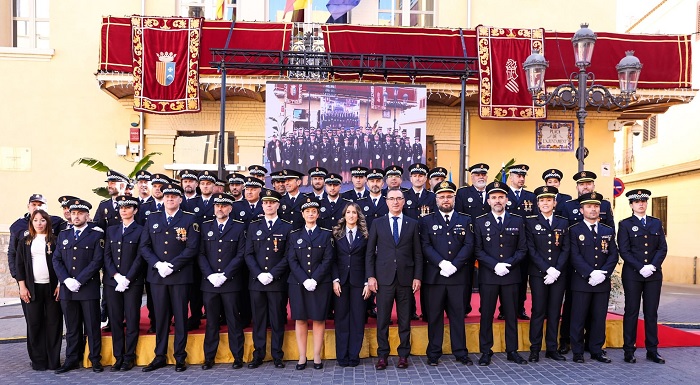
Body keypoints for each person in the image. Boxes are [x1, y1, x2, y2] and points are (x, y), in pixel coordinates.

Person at [140, 183, 200, 372]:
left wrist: (172, 265)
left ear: (180, 199)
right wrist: (158, 264)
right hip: (158, 276)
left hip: (180, 276)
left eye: (174, 196)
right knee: (161, 317)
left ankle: (180, 356)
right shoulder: (153, 218)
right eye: (167, 196)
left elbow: (192, 247)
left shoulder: (190, 219)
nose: (170, 199)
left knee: (181, 317)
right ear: (163, 198)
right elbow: (144, 246)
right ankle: (160, 355)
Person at [366, 188, 423, 370]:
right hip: (383, 279)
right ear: (386, 201)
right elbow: (370, 253)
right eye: (392, 199)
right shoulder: (377, 223)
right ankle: (382, 355)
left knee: (404, 319)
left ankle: (403, 355)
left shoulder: (412, 223)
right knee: (382, 319)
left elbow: (418, 253)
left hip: (406, 279)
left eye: (399, 198)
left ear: (404, 201)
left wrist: (417, 277)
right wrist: (371, 277)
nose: (395, 202)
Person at [559, 170, 615, 354]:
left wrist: (602, 272)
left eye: (589, 183)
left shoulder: (604, 204)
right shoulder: (568, 206)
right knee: (573, 307)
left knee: (596, 311)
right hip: (575, 267)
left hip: (600, 264)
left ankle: (593, 345)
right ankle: (567, 341)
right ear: (577, 187)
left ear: (593, 185)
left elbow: (610, 236)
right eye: (582, 184)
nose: (585, 186)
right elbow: (565, 236)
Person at [420, 181, 474, 366]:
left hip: (458, 277)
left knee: (457, 316)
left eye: (449, 196)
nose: (445, 200)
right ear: (436, 199)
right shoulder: (426, 220)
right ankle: (434, 352)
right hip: (435, 277)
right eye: (442, 196)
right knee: (434, 316)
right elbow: (425, 245)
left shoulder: (465, 220)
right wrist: (442, 263)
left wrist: (455, 265)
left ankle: (460, 352)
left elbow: (469, 244)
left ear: (454, 198)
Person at [474, 181, 527, 366]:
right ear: (488, 200)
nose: (498, 200)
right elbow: (478, 250)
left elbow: (522, 249)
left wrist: (508, 265)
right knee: (486, 314)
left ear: (506, 199)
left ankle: (512, 350)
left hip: (511, 276)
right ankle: (485, 351)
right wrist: (495, 265)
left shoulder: (517, 221)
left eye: (501, 197)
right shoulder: (480, 221)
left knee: (511, 315)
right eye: (494, 197)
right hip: (489, 276)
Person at [52, 198, 105, 373]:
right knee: (72, 327)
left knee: (92, 326)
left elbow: (97, 261)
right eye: (73, 213)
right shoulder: (64, 235)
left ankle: (95, 359)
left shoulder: (96, 235)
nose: (76, 216)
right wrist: (66, 280)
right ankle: (72, 359)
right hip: (68, 290)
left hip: (88, 288)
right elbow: (56, 259)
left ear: (87, 216)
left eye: (80, 213)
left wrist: (79, 280)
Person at [618, 189, 668, 364]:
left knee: (651, 312)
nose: (641, 204)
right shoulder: (625, 224)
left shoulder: (656, 223)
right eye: (637, 202)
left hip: (653, 275)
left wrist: (652, 266)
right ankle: (629, 350)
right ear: (631, 205)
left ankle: (652, 350)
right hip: (633, 274)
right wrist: (640, 267)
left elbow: (662, 247)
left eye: (644, 201)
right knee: (631, 311)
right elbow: (623, 250)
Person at [199, 193, 248, 370]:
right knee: (211, 321)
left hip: (231, 282)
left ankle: (238, 356)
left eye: (223, 206)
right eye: (217, 206)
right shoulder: (205, 227)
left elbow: (241, 254)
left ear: (230, 208)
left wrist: (226, 274)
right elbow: (201, 253)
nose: (220, 209)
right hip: (210, 283)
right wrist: (210, 275)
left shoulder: (239, 227)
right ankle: (209, 357)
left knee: (234, 321)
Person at [568, 192, 618, 364]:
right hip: (582, 281)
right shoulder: (574, 230)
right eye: (589, 206)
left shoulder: (607, 230)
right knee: (578, 318)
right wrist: (590, 273)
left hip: (601, 282)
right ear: (581, 210)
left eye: (596, 206)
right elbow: (574, 256)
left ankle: (597, 350)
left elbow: (613, 255)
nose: (593, 209)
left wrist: (603, 273)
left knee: (599, 318)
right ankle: (578, 351)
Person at [245, 189, 292, 369]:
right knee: (259, 319)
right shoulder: (254, 226)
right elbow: (248, 254)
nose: (269, 205)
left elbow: (288, 256)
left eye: (272, 202)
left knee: (277, 319)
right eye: (266, 203)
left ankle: (277, 355)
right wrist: (259, 274)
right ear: (262, 205)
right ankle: (258, 354)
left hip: (277, 282)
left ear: (278, 205)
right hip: (257, 282)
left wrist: (272, 274)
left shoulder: (286, 227)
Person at [287, 198, 335, 370]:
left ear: (318, 214)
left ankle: (316, 356)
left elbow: (328, 259)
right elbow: (291, 260)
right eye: (307, 211)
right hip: (298, 284)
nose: (310, 214)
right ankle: (302, 356)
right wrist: (304, 279)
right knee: (300, 319)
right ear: (302, 214)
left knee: (318, 318)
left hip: (320, 283)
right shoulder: (294, 235)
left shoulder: (326, 234)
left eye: (314, 211)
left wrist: (315, 279)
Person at [525, 186, 569, 362]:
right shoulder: (530, 222)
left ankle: (552, 348)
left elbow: (566, 248)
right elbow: (531, 249)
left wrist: (556, 269)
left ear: (555, 203)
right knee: (538, 311)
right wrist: (547, 269)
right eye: (542, 200)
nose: (545, 203)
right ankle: (534, 349)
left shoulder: (563, 222)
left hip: (558, 274)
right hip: (539, 274)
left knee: (554, 311)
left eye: (549, 200)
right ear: (537, 203)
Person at [15, 209, 62, 371]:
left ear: (47, 222)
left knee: (54, 324)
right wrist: (22, 286)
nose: (39, 223)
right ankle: (38, 361)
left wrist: (60, 285)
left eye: (42, 220)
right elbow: (19, 265)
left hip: (52, 288)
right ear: (31, 223)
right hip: (32, 289)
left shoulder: (55, 240)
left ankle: (53, 360)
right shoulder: (25, 241)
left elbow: (62, 264)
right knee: (34, 324)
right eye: (36, 220)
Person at [103, 195, 145, 372]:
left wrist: (127, 278)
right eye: (121, 208)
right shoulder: (111, 230)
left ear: (135, 210)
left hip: (132, 282)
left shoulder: (141, 230)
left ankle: (129, 357)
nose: (123, 210)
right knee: (115, 319)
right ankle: (118, 356)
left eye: (127, 208)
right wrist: (115, 275)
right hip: (113, 283)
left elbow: (140, 256)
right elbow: (107, 255)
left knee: (132, 319)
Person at [332, 202, 371, 367]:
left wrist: (367, 281)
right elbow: (332, 259)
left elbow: (369, 259)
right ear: (344, 215)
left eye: (354, 212)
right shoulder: (336, 234)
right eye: (348, 212)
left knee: (357, 318)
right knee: (341, 319)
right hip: (340, 282)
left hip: (359, 282)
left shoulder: (365, 235)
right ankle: (342, 356)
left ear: (358, 215)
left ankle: (354, 355)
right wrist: (335, 280)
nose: (351, 215)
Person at [455, 163, 491, 316]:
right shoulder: (463, 193)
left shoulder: (493, 192)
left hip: (489, 241)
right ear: (472, 177)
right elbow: (459, 217)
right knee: (466, 277)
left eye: (483, 174)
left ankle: (486, 308)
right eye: (477, 174)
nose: (480, 177)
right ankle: (464, 307)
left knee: (487, 277)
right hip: (468, 240)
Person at [505, 164, 536, 320]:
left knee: (523, 278)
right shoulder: (504, 195)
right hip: (507, 244)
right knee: (506, 278)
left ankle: (520, 307)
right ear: (511, 177)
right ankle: (505, 308)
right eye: (518, 175)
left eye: (523, 176)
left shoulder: (531, 197)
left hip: (525, 245)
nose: (521, 178)